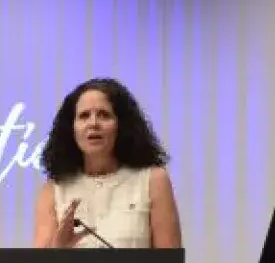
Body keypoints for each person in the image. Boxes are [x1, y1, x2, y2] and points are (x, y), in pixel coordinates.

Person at [33, 78, 182, 249]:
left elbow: (168, 262)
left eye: (104, 115)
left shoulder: (153, 180)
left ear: (122, 125)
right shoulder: (54, 189)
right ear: (71, 129)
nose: (93, 123)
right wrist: (59, 248)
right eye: (84, 116)